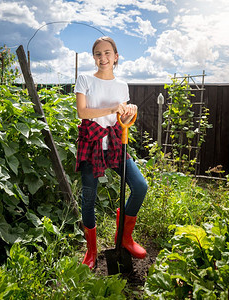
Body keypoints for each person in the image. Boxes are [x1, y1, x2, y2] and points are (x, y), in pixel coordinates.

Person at [74, 36, 148, 269]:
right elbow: (82, 113)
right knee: (89, 198)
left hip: (116, 141)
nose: (103, 58)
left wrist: (130, 111)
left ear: (116, 57)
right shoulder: (84, 79)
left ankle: (124, 238)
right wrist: (112, 107)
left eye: (108, 53)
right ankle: (91, 251)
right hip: (91, 142)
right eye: (98, 54)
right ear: (94, 57)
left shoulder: (122, 85)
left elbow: (122, 118)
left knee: (140, 186)